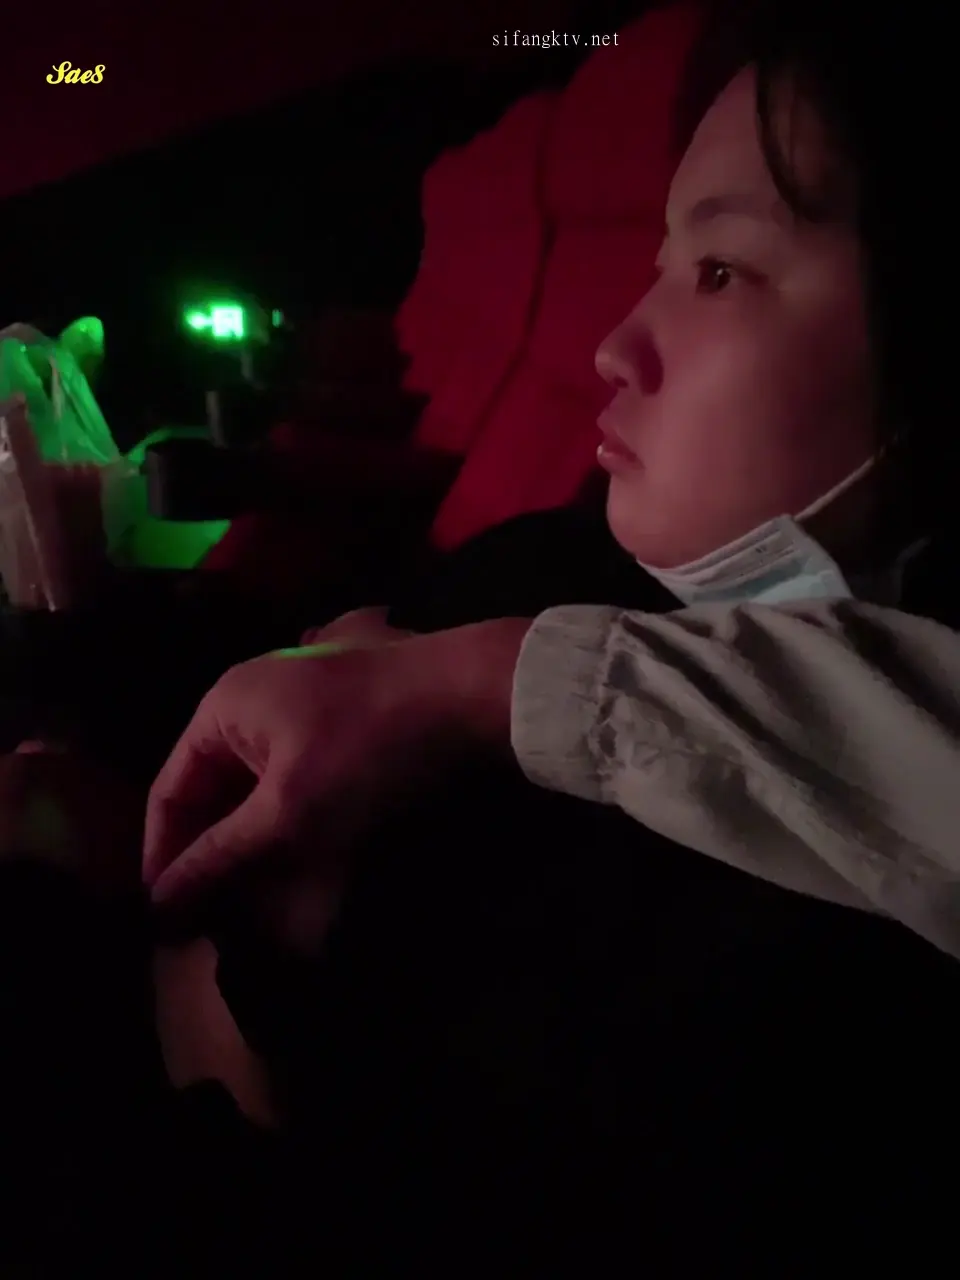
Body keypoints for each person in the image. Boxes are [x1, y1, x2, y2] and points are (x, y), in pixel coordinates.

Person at [6, 0, 960, 1268]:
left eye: (722, 271)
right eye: (662, 262)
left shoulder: (809, 961)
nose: (613, 347)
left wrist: (149, 920)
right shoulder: (608, 556)